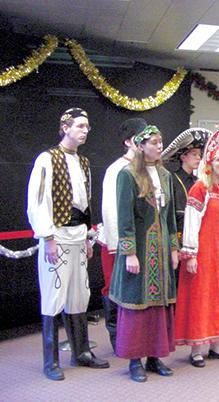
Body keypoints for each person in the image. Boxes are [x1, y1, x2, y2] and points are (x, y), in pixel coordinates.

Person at [27, 108, 109, 381]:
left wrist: (87, 236)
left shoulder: (84, 162)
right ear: (65, 127)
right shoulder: (47, 159)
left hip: (77, 234)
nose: (85, 130)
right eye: (80, 126)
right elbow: (37, 201)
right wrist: (47, 237)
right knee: (54, 295)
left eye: (87, 126)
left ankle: (81, 351)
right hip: (57, 234)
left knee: (79, 294)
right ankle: (50, 360)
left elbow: (84, 204)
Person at [109, 125, 179, 382]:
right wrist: (129, 252)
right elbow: (124, 215)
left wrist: (173, 247)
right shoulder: (127, 175)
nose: (159, 146)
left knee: (159, 303)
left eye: (161, 142)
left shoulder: (165, 175)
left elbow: (169, 216)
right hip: (139, 247)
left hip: (160, 249)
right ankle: (135, 360)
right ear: (140, 146)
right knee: (137, 304)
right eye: (153, 142)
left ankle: (154, 356)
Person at [175, 129, 219, 368]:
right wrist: (191, 254)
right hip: (205, 254)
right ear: (209, 162)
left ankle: (217, 345)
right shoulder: (199, 189)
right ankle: (196, 348)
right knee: (201, 297)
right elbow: (191, 223)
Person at [98, 117, 147, 352]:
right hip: (117, 243)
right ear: (128, 141)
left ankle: (137, 338)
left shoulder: (150, 169)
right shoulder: (117, 169)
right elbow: (110, 208)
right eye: (139, 137)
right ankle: (116, 337)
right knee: (115, 288)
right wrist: (119, 245)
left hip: (142, 242)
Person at [161, 128, 210, 239]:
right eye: (194, 154)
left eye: (199, 155)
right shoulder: (172, 179)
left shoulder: (199, 181)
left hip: (197, 232)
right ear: (183, 157)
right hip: (178, 233)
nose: (198, 158)